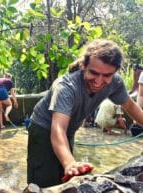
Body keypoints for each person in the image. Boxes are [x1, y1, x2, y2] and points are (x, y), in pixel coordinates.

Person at [27, 39, 143, 188]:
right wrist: (70, 163)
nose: (99, 81)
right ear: (83, 66)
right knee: (43, 180)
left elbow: (131, 107)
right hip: (43, 128)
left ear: (114, 72)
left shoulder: (115, 83)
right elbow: (58, 129)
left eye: (107, 75)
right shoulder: (66, 87)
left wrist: (69, 165)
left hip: (68, 130)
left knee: (63, 178)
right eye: (94, 73)